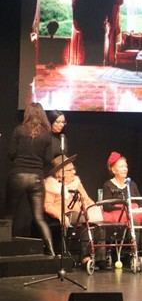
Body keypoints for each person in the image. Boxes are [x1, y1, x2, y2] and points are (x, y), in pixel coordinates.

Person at [6, 103, 55, 255]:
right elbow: (48, 159)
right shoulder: (47, 135)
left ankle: (5, 251)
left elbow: (11, 153)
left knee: (9, 216)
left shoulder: (19, 130)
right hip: (36, 178)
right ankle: (52, 251)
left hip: (18, 175)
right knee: (39, 217)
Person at [44, 154, 103, 263]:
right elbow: (48, 205)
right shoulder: (51, 185)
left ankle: (100, 257)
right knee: (83, 218)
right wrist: (60, 215)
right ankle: (86, 256)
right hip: (65, 214)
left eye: (73, 169)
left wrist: (95, 207)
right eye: (69, 170)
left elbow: (86, 199)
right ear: (59, 173)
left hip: (80, 213)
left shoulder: (76, 183)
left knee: (99, 220)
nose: (74, 172)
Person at [102, 152, 142, 262]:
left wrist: (140, 208)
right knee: (135, 222)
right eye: (121, 167)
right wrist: (124, 208)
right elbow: (106, 206)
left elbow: (140, 201)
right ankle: (134, 253)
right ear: (113, 170)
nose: (125, 169)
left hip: (133, 211)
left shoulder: (131, 184)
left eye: (126, 166)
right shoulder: (108, 185)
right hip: (118, 213)